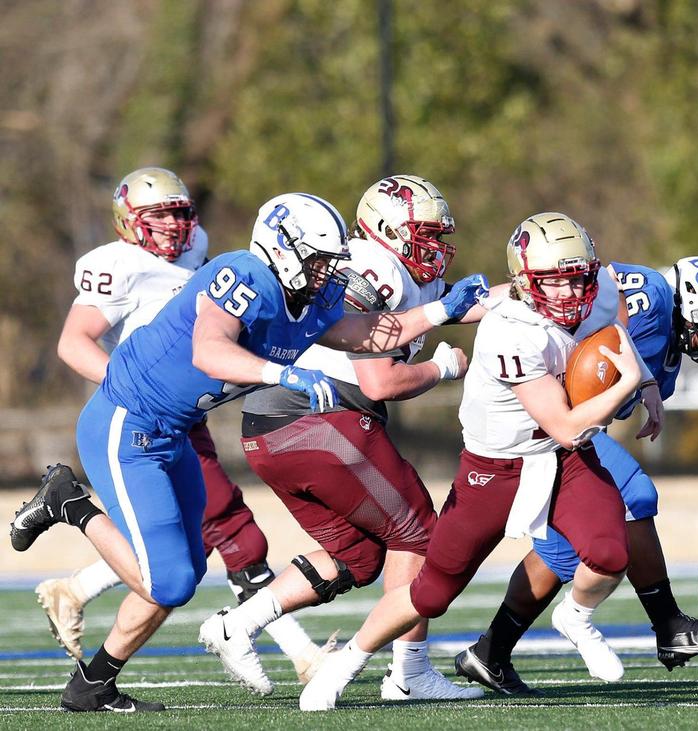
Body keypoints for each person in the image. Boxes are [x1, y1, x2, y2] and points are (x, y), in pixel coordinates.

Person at [10, 191, 488, 713]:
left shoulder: (310, 291)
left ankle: (92, 686)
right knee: (166, 582)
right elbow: (208, 349)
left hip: (175, 429)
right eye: (320, 261)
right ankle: (67, 502)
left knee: (187, 573)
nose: (329, 273)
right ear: (284, 248)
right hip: (126, 423)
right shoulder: (244, 274)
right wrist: (281, 372)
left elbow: (360, 334)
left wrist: (440, 309)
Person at [298, 212, 660, 710]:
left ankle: (574, 616)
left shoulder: (597, 288)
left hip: (563, 459)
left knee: (610, 553)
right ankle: (345, 664)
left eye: (578, 277)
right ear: (524, 283)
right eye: (553, 282)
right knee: (432, 592)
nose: (570, 292)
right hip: (495, 468)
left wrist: (646, 380)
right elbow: (568, 424)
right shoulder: (509, 329)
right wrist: (624, 383)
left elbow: (615, 332)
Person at [29, 167, 328, 681]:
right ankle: (300, 655)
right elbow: (72, 342)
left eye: (177, 212)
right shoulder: (116, 265)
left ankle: (76, 596)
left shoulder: (201, 252)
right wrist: (133, 388)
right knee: (229, 528)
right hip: (142, 411)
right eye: (157, 214)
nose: (170, 225)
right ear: (128, 219)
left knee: (194, 544)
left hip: (189, 415)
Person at [198, 175, 483, 700]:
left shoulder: (402, 271)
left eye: (438, 236)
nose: (436, 248)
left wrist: (536, 291)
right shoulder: (372, 269)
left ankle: (238, 624)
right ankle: (410, 673)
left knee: (356, 554)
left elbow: (466, 303)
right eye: (424, 234)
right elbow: (381, 380)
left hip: (270, 431)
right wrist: (443, 368)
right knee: (420, 534)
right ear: (388, 230)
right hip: (315, 419)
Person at [455, 256, 698, 695]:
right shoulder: (649, 294)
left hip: (567, 433)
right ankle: (669, 624)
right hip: (538, 417)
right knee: (634, 495)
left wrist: (646, 384)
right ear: (692, 295)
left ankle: (489, 653)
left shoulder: (668, 352)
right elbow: (590, 297)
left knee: (563, 556)